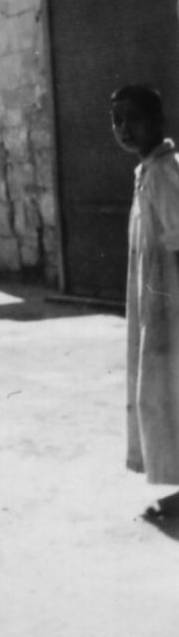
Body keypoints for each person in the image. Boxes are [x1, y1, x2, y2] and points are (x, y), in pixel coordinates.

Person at [111, 84, 179, 519]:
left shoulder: (164, 174)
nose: (124, 128)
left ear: (158, 122)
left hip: (172, 306)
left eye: (133, 118)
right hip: (156, 306)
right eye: (117, 120)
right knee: (159, 390)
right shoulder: (146, 171)